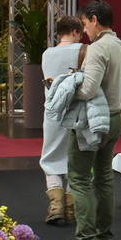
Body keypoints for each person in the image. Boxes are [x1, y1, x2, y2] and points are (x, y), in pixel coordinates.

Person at [68, 0, 121, 240]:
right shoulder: (120, 46)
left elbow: (88, 90)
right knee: (104, 177)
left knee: (80, 178)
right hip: (115, 118)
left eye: (85, 24)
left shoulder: (97, 48)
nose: (84, 31)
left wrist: (66, 85)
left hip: (92, 121)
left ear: (95, 20)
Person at [40, 15, 85, 225]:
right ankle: (70, 206)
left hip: (52, 112)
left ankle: (56, 205)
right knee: (76, 160)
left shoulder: (47, 54)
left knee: (50, 159)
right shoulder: (84, 51)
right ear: (75, 31)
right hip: (77, 112)